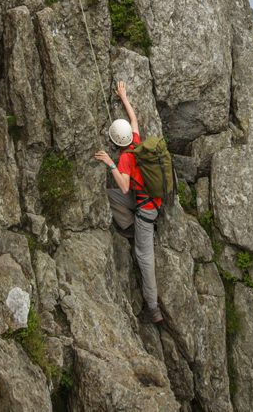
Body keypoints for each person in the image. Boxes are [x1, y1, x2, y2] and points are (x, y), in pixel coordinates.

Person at [94, 81, 163, 324]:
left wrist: (109, 163)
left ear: (114, 143)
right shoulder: (137, 142)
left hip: (146, 212)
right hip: (148, 198)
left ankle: (153, 308)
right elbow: (133, 120)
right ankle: (130, 222)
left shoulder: (124, 158)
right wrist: (123, 96)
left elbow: (124, 185)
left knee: (144, 257)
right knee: (109, 195)